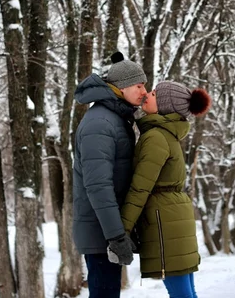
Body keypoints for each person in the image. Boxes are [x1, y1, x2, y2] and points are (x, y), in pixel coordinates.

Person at [116, 81, 212, 298]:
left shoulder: (156, 137)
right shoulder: (166, 134)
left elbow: (140, 187)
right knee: (187, 293)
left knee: (181, 295)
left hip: (165, 222)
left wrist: (122, 228)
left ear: (165, 106)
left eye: (154, 94)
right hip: (173, 218)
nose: (147, 95)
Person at [72, 51, 148, 298]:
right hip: (101, 231)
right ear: (122, 87)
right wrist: (116, 236)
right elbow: (99, 186)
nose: (144, 91)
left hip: (106, 229)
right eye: (138, 85)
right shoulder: (100, 123)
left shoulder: (114, 119)